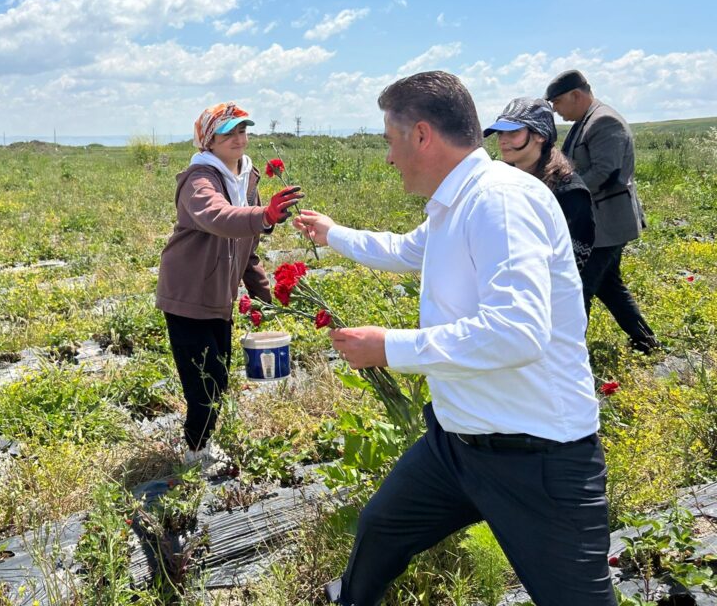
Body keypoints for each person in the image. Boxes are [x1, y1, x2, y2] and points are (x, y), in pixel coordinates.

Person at [294, 72, 614, 606]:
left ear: (421, 135)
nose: (390, 158)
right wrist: (332, 234)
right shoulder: (456, 204)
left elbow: (517, 332)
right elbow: (404, 250)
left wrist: (390, 347)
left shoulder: (500, 203)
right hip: (457, 446)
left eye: (390, 142)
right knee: (380, 529)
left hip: (538, 458)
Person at [155, 102, 302, 467]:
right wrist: (264, 215)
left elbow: (245, 246)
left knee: (217, 377)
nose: (238, 138)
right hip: (188, 295)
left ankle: (201, 445)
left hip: (219, 297)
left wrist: (265, 295)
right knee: (203, 384)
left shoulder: (246, 177)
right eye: (228, 133)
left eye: (242, 130)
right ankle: (195, 452)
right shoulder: (200, 179)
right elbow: (217, 217)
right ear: (209, 140)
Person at [546, 69, 659, 353]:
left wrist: (564, 191)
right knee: (608, 284)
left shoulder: (603, 121)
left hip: (608, 223)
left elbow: (606, 172)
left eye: (557, 102)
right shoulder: (585, 121)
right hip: (600, 222)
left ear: (576, 95)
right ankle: (646, 342)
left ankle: (567, 354)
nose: (556, 110)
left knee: (579, 287)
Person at [483, 96, 595, 273]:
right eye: (500, 133)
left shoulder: (568, 190)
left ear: (540, 135)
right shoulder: (499, 180)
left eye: (513, 133)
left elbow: (574, 257)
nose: (502, 140)